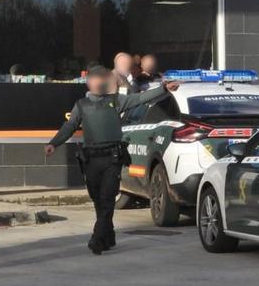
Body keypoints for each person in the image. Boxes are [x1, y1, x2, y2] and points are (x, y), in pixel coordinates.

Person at [44, 66, 179, 254]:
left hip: (112, 158)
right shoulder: (81, 105)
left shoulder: (116, 101)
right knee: (98, 200)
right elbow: (70, 126)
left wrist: (163, 88)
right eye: (96, 79)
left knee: (107, 199)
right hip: (91, 159)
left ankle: (97, 238)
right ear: (89, 82)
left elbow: (140, 98)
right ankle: (109, 236)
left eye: (103, 79)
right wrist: (54, 143)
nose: (100, 82)